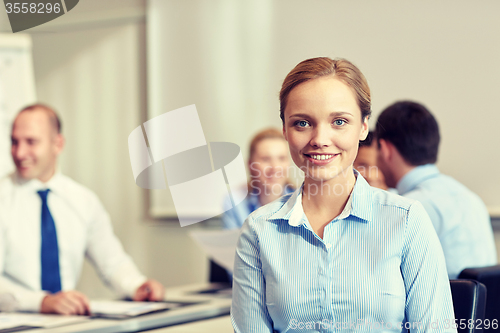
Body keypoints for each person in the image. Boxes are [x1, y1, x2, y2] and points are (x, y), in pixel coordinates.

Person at [231, 57, 456, 332]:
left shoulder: (407, 221)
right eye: (302, 123)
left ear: (363, 127)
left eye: (339, 121)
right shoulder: (258, 231)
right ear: (285, 131)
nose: (320, 139)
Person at [0, 104, 165, 315]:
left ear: (57, 144)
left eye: (31, 142)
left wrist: (138, 286)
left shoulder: (83, 200)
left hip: (68, 322)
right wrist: (42, 302)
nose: (20, 152)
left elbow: (112, 262)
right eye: (14, 142)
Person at [375, 100, 497, 279]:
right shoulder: (470, 198)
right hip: (485, 307)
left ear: (385, 149)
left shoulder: (411, 208)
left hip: (446, 305)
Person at [222, 128, 294, 229]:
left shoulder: (303, 200)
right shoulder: (235, 201)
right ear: (251, 164)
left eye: (281, 158)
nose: (275, 167)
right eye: (265, 159)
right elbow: (230, 243)